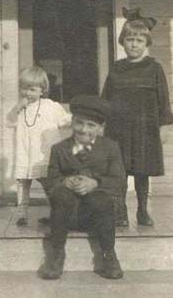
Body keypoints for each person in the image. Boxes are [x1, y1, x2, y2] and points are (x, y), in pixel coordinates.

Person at [38, 95, 126, 280]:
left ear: (101, 128)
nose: (84, 130)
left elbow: (119, 181)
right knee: (61, 195)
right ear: (72, 122)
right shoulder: (59, 149)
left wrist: (96, 183)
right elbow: (51, 180)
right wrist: (64, 182)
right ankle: (56, 254)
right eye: (79, 123)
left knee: (101, 199)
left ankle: (109, 255)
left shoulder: (111, 148)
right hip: (66, 216)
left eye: (91, 125)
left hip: (98, 217)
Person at [102, 8, 173, 226]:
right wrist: (99, 121)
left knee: (142, 171)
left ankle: (142, 210)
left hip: (145, 128)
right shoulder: (116, 68)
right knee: (119, 171)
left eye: (139, 40)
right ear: (122, 42)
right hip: (118, 129)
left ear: (147, 43)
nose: (134, 44)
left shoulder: (154, 68)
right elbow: (106, 98)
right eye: (130, 39)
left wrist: (164, 127)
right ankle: (120, 211)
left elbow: (164, 101)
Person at [9, 66, 71, 226]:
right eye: (23, 88)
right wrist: (17, 107)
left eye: (32, 89)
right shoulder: (20, 109)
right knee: (23, 185)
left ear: (42, 90)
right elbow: (9, 121)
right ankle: (22, 213)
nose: (27, 93)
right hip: (25, 152)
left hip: (43, 153)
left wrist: (73, 120)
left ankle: (57, 213)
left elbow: (64, 120)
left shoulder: (50, 106)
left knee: (50, 185)